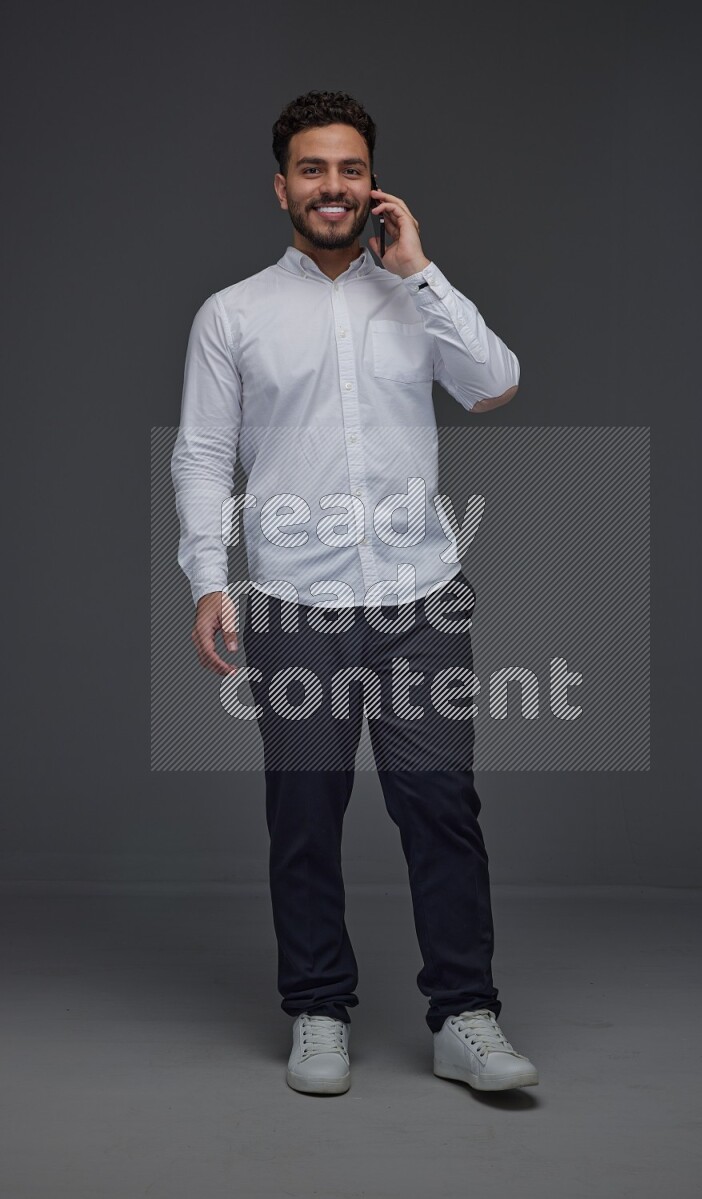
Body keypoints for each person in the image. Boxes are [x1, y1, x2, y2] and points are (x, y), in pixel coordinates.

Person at [170, 90, 539, 1096]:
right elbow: (203, 455)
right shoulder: (234, 314)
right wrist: (210, 578)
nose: (330, 187)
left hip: (418, 598)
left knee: (439, 804)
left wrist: (418, 271)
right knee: (304, 811)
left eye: (347, 169)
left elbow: (494, 382)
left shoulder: (414, 297)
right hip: (292, 601)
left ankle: (464, 1013)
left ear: (370, 179)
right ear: (280, 183)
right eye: (310, 169)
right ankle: (318, 1008)